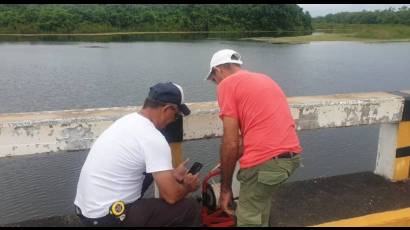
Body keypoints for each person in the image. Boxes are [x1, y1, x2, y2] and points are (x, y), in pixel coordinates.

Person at [74, 82, 201, 227]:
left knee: (148, 173)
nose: (174, 120)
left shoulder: (127, 121)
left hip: (86, 211)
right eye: (176, 115)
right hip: (107, 219)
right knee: (190, 208)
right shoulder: (153, 138)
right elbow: (171, 196)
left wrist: (172, 174)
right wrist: (188, 187)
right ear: (167, 109)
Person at [205, 49, 303, 227]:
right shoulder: (263, 79)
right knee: (260, 206)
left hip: (266, 162)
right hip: (291, 157)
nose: (216, 84)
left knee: (248, 218)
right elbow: (259, 130)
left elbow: (230, 142)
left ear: (218, 70)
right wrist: (231, 158)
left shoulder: (227, 85)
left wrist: (225, 189)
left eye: (213, 79)